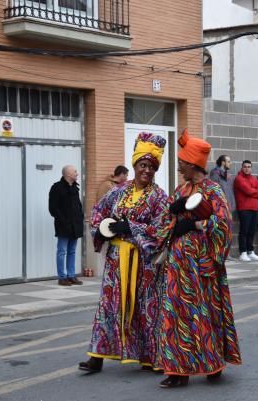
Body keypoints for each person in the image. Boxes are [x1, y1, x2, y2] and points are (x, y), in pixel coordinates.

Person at [155, 129, 241, 388]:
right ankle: (177, 371)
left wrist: (196, 225)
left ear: (193, 164)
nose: (179, 166)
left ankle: (212, 364)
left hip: (202, 263)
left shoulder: (213, 190)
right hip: (178, 263)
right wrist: (173, 222)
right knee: (175, 314)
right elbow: (164, 221)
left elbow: (224, 224)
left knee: (204, 313)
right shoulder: (180, 188)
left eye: (182, 162)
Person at [79, 132, 168, 374]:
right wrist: (104, 230)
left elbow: (162, 228)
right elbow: (98, 212)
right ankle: (96, 356)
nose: (147, 170)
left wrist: (132, 226)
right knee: (108, 306)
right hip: (116, 260)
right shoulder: (119, 191)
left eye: (151, 166)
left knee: (145, 308)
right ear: (135, 165)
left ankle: (150, 357)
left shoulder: (159, 196)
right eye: (142, 165)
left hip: (144, 263)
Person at [49, 165, 84, 286]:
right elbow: (53, 208)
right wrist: (64, 221)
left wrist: (81, 218)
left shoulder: (75, 188)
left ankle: (71, 275)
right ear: (68, 174)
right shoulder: (57, 188)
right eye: (75, 172)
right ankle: (62, 277)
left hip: (76, 226)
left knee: (72, 251)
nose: (77, 174)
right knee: (62, 251)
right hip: (63, 226)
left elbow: (78, 206)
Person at [234, 160, 258, 262]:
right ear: (242, 168)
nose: (247, 168)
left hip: (255, 208)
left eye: (249, 167)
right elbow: (248, 191)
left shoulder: (254, 179)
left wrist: (253, 191)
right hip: (244, 208)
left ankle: (250, 251)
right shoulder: (239, 179)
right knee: (244, 231)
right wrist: (254, 191)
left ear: (251, 168)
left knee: (252, 231)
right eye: (245, 166)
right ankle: (243, 253)